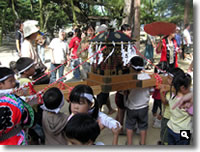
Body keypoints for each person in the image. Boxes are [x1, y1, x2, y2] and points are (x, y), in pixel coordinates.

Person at [0, 67, 34, 145]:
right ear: (0, 85)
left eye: (14, 80)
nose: (14, 83)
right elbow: (28, 120)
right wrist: (19, 98)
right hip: (15, 140)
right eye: (11, 81)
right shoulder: (12, 101)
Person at [124, 56, 153, 145]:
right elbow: (151, 91)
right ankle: (143, 143)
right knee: (143, 126)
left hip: (131, 106)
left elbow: (125, 91)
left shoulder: (129, 78)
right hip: (143, 106)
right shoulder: (148, 77)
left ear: (131, 67)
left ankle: (129, 143)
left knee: (129, 125)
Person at [159, 67, 184, 145]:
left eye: (169, 78)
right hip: (185, 126)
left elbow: (165, 103)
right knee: (183, 142)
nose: (167, 79)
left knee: (167, 139)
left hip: (169, 120)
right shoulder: (187, 93)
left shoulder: (170, 93)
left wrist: (161, 92)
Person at [167, 73, 192, 145]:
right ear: (183, 88)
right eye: (189, 86)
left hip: (171, 127)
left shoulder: (171, 95)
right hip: (184, 131)